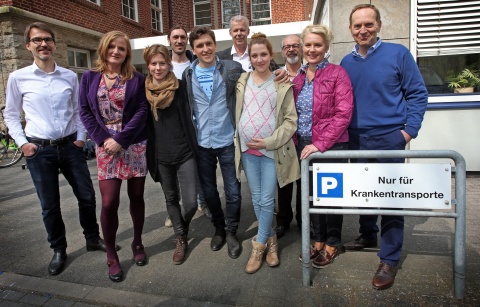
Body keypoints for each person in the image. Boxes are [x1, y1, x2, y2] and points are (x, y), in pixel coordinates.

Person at [4, 22, 110, 276]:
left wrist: (82, 138)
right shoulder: (18, 78)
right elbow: (10, 115)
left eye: (48, 39)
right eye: (37, 40)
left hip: (70, 146)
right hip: (39, 151)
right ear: (28, 45)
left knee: (86, 196)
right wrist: (23, 143)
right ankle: (59, 249)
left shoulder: (68, 76)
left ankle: (92, 238)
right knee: (50, 205)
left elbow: (78, 111)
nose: (44, 44)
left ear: (54, 43)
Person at [340, 4, 428, 290]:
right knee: (364, 192)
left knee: (391, 197)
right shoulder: (345, 62)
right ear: (350, 29)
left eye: (368, 24)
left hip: (390, 137)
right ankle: (368, 234)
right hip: (356, 139)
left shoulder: (398, 54)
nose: (362, 30)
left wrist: (407, 132)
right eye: (357, 26)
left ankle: (389, 258)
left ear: (378, 25)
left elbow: (417, 93)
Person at [79, 30, 149, 282]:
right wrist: (105, 140)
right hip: (105, 146)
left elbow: (142, 110)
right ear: (104, 49)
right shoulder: (89, 77)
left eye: (121, 48)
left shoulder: (136, 78)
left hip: (133, 144)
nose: (116, 52)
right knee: (109, 202)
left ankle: (138, 243)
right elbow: (84, 111)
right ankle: (111, 255)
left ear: (127, 53)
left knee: (137, 196)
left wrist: (121, 139)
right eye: (112, 47)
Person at [234, 33, 299, 274]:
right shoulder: (241, 80)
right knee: (258, 199)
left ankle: (258, 246)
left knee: (266, 200)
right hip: (247, 150)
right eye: (254, 55)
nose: (259, 59)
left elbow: (291, 121)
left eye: (264, 54)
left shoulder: (282, 82)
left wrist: (269, 142)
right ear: (249, 57)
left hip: (273, 150)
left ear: (271, 55)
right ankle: (271, 240)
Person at [293, 24, 353, 268]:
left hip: (330, 146)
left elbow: (344, 113)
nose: (312, 49)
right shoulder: (298, 76)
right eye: (308, 45)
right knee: (311, 197)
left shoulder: (338, 74)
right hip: (304, 145)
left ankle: (332, 242)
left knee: (330, 197)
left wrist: (320, 143)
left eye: (318, 44)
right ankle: (317, 239)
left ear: (326, 47)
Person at [182, 26, 244, 259]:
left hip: (227, 138)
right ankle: (218, 228)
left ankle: (231, 232)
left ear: (215, 44)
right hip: (202, 143)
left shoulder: (232, 68)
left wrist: (279, 73)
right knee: (208, 192)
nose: (205, 49)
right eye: (200, 46)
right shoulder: (187, 75)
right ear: (193, 50)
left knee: (234, 191)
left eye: (209, 43)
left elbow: (257, 78)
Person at [144, 44, 198, 265]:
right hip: (160, 154)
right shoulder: (143, 91)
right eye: (154, 63)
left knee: (191, 202)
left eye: (162, 63)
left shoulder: (181, 86)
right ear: (148, 65)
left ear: (169, 64)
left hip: (184, 151)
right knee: (171, 198)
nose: (158, 67)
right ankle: (180, 237)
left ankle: (180, 226)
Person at [166, 26, 211, 228]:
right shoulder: (164, 65)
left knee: (199, 168)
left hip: (197, 125)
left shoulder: (195, 64)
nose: (179, 40)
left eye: (182, 37)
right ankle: (175, 211)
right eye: (175, 37)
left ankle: (203, 202)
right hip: (174, 128)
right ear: (169, 40)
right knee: (174, 173)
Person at [275, 34, 304, 238]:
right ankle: (283, 220)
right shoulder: (275, 75)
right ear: (282, 50)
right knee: (283, 183)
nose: (291, 49)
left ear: (301, 48)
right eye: (287, 47)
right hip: (284, 138)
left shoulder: (310, 72)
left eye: (295, 45)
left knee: (304, 184)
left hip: (306, 138)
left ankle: (304, 221)